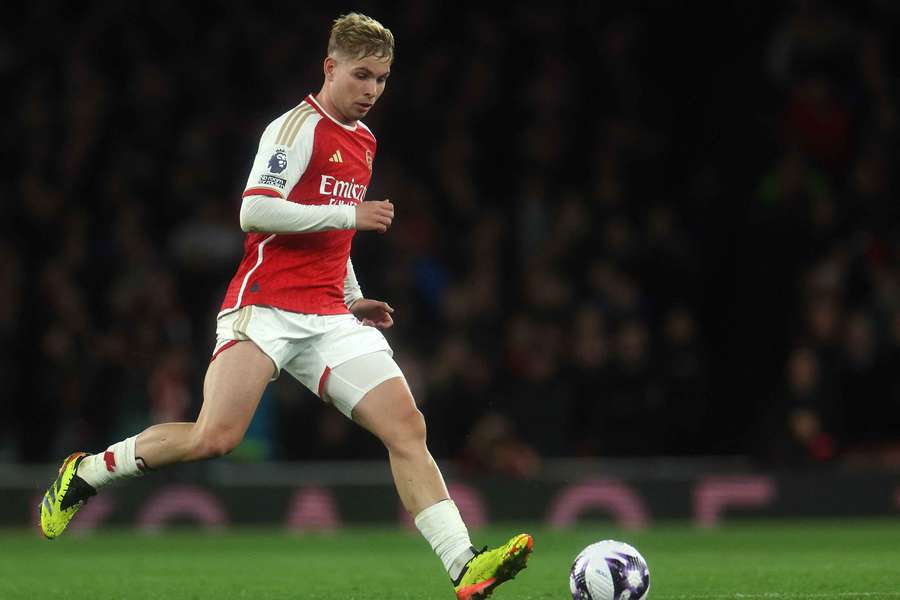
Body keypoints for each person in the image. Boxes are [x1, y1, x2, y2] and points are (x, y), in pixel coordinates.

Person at [39, 13, 531, 599]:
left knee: (407, 427)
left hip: (328, 316)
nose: (372, 90)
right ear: (330, 68)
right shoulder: (293, 130)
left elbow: (330, 237)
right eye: (361, 75)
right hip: (266, 307)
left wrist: (353, 297)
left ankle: (464, 566)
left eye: (381, 78)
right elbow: (255, 211)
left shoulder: (365, 141)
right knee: (214, 436)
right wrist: (353, 214)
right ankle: (87, 472)